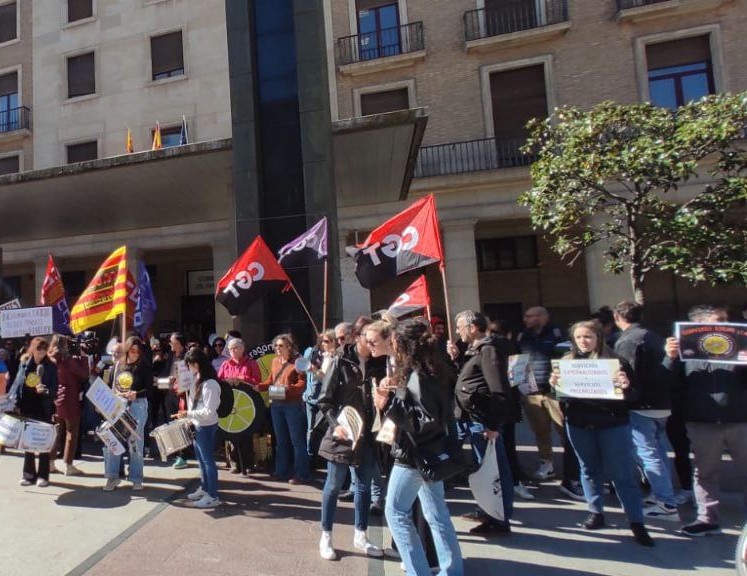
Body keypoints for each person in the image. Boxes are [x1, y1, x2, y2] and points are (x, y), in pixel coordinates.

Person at [550, 320, 654, 546]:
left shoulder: (616, 362)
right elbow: (562, 398)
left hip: (612, 425)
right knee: (588, 470)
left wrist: (626, 387)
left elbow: (635, 396)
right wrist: (554, 386)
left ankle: (636, 521)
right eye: (578, 338)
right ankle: (595, 511)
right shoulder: (567, 362)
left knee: (622, 474)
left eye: (587, 337)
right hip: (579, 425)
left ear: (598, 338)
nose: (583, 341)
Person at [375, 318, 464, 576]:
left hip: (415, 455)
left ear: (405, 344)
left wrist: (387, 404)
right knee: (436, 514)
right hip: (432, 453)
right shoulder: (434, 369)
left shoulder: (418, 376)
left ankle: (418, 572)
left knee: (396, 513)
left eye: (394, 342)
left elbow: (421, 421)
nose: (392, 345)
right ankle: (451, 570)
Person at [664, 304, 747, 537]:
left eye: (725, 320)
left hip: (740, 419)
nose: (725, 325)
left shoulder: (739, 346)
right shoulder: (684, 351)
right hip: (702, 422)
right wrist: (670, 358)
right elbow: (668, 383)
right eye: (718, 321)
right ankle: (707, 519)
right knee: (705, 473)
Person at [317, 316, 386, 560]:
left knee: (364, 485)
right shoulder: (340, 360)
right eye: (368, 336)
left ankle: (361, 535)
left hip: (368, 434)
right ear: (358, 338)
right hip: (343, 432)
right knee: (334, 485)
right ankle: (326, 535)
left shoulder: (381, 362)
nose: (373, 341)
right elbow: (324, 399)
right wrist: (336, 425)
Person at [612, 301, 678, 521]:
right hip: (660, 404)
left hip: (641, 405)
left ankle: (666, 501)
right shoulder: (653, 335)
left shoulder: (627, 340)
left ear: (617, 317)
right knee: (658, 452)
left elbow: (629, 376)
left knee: (646, 454)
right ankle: (662, 495)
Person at [453, 310, 514, 535]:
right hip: (472, 418)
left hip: (484, 421)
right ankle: (487, 510)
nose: (458, 331)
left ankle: (499, 518)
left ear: (472, 327)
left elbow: (498, 389)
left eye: (460, 327)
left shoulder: (488, 350)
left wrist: (493, 425)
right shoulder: (475, 350)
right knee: (483, 468)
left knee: (494, 469)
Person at [516, 306, 583, 500]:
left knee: (565, 431)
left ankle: (573, 470)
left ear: (542, 318)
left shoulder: (558, 336)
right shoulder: (523, 337)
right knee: (540, 430)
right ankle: (547, 463)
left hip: (554, 392)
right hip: (532, 391)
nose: (526, 319)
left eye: (529, 316)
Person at [103, 336, 152, 492]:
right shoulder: (118, 365)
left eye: (138, 351)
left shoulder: (144, 366)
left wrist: (136, 394)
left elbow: (150, 390)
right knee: (113, 441)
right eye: (132, 350)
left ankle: (136, 478)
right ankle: (112, 477)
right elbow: (110, 387)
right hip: (118, 406)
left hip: (137, 406)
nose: (135, 353)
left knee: (135, 444)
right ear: (127, 349)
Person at [258, 333, 309, 483]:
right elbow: (270, 380)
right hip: (276, 404)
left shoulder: (299, 362)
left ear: (289, 347)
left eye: (281, 346)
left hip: (292, 405)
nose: (277, 348)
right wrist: (258, 387)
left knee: (297, 441)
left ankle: (301, 473)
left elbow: (301, 385)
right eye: (276, 346)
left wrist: (288, 388)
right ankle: (281, 471)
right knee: (281, 440)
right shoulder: (274, 361)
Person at [176, 348, 222, 508]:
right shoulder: (198, 380)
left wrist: (189, 414)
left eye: (189, 365)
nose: (188, 368)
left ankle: (213, 495)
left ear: (196, 364)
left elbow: (209, 411)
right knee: (202, 461)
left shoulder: (210, 384)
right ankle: (205, 488)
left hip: (206, 426)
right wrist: (189, 416)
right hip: (198, 425)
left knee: (208, 461)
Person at [12, 337, 57, 487]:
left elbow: (54, 387)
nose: (42, 352)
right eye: (39, 348)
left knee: (42, 443)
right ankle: (28, 475)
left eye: (45, 349)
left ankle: (43, 476)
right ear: (33, 348)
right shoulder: (25, 363)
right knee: (28, 442)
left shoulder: (50, 366)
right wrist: (17, 402)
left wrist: (44, 391)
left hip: (43, 407)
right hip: (28, 406)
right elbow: (18, 384)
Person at [217, 337, 261, 475]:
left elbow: (257, 381)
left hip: (246, 405)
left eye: (235, 348)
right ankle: (235, 463)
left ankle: (248, 464)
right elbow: (218, 381)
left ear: (242, 348)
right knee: (230, 434)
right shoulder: (225, 364)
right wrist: (227, 381)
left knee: (246, 435)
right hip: (230, 403)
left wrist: (241, 379)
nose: (232, 351)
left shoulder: (251, 363)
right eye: (230, 348)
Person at [49, 335, 89, 476]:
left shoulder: (50, 359)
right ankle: (68, 464)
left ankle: (50, 462)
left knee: (56, 431)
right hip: (69, 397)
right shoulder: (69, 361)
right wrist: (84, 357)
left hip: (55, 397)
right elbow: (84, 375)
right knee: (71, 431)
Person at [304, 330, 337, 456]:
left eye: (326, 341)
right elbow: (322, 378)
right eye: (322, 341)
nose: (323, 344)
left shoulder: (336, 357)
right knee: (313, 429)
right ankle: (314, 456)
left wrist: (316, 371)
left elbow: (329, 379)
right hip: (318, 397)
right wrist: (315, 371)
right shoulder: (325, 356)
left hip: (331, 399)